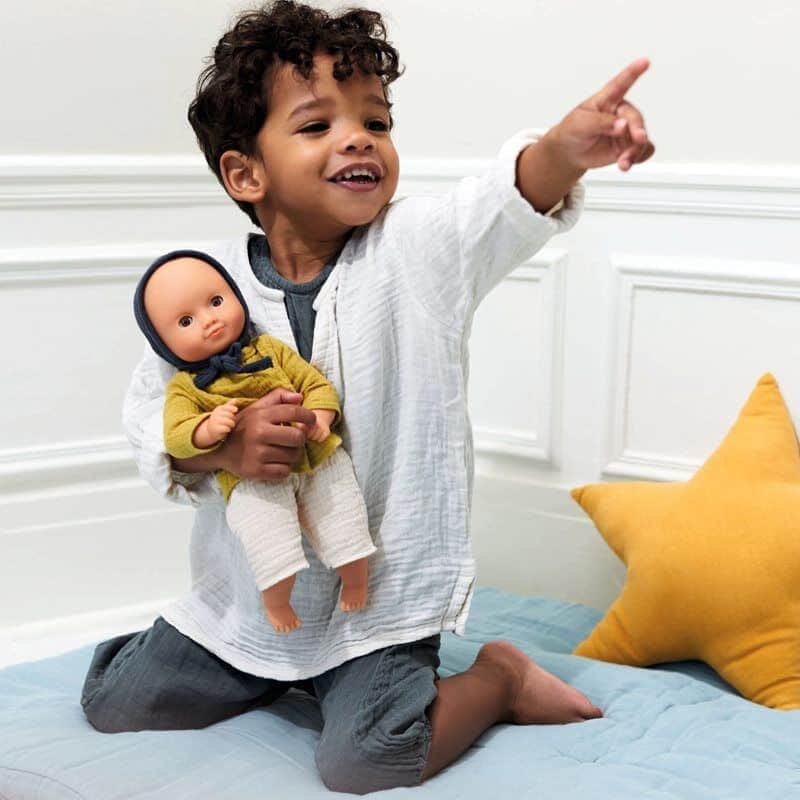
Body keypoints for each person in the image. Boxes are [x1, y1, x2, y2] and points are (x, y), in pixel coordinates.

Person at [81, 1, 655, 793]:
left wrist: (562, 150)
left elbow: (503, 201)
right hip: (251, 600)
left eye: (376, 122)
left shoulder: (418, 252)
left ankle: (500, 677)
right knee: (115, 701)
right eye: (318, 125)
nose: (358, 139)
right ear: (246, 174)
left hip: (375, 607)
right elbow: (151, 409)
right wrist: (221, 446)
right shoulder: (203, 282)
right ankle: (271, 671)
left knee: (366, 759)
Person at [133, 249, 377, 632]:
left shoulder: (269, 349)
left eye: (216, 302)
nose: (209, 320)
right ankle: (277, 601)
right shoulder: (186, 387)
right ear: (163, 344)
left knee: (344, 518)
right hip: (250, 481)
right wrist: (208, 429)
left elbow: (315, 384)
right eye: (186, 321)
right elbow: (176, 438)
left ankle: (356, 580)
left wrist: (321, 417)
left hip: (316, 456)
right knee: (269, 544)